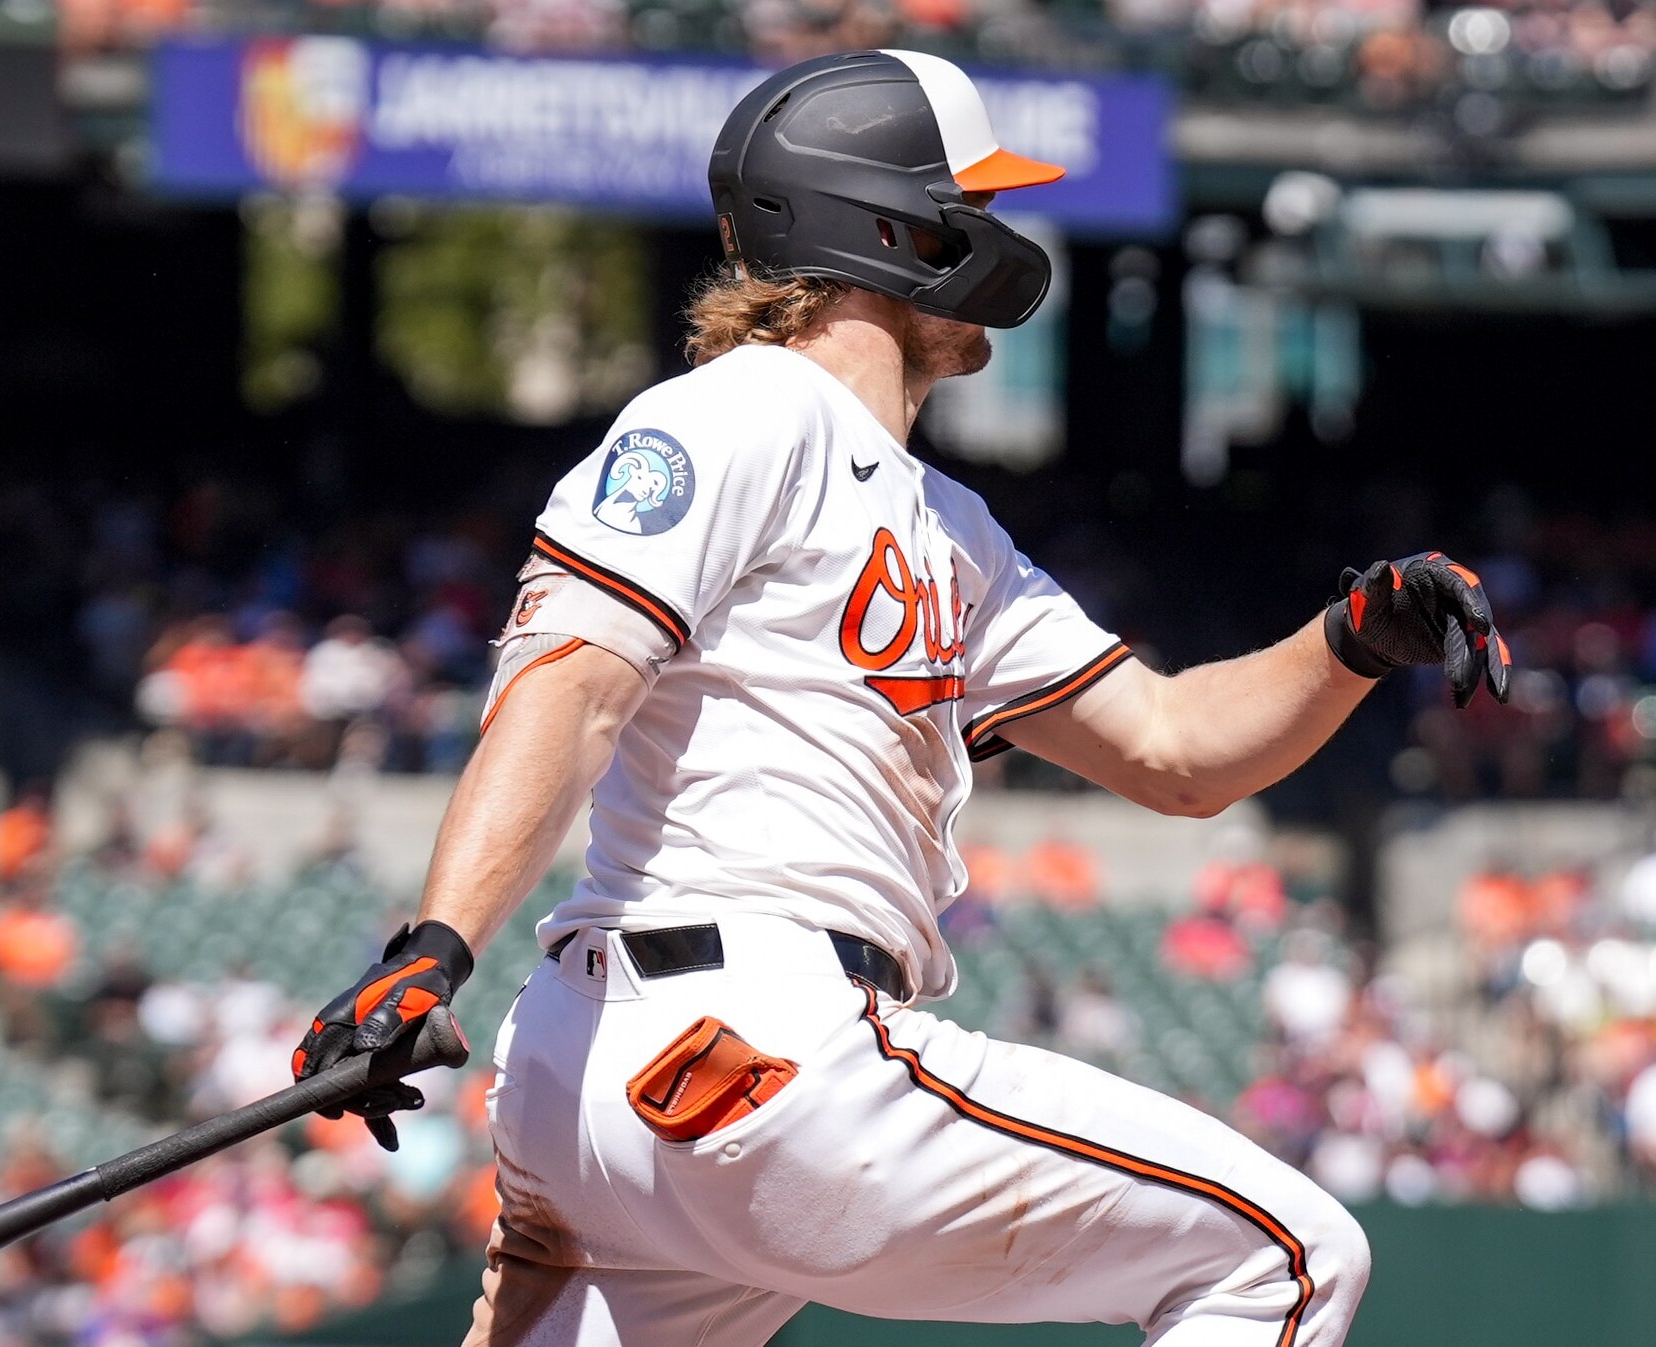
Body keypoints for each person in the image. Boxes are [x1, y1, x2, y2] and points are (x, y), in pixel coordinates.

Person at [288, 51, 1513, 1347]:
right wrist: (431, 946)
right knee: (1286, 1255)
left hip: (602, 1086)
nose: (996, 234)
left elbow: (1172, 751)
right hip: (757, 1039)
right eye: (966, 205)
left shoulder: (948, 522)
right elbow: (574, 682)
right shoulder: (740, 412)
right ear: (888, 227)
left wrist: (1348, 641)